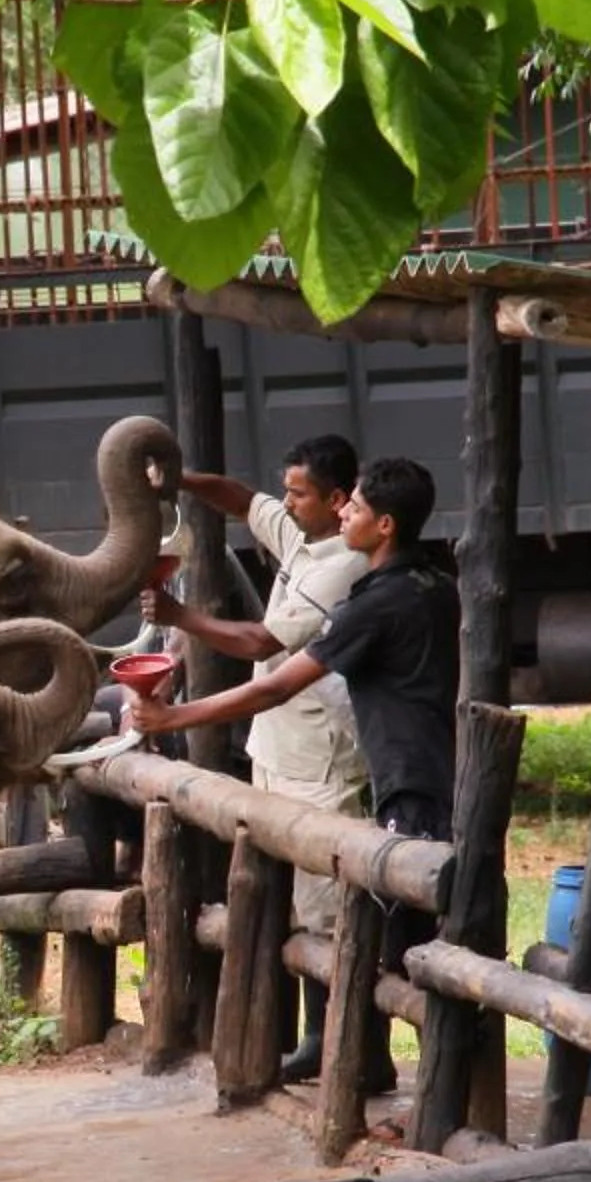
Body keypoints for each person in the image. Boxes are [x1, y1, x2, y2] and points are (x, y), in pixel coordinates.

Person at [127, 459, 460, 1094]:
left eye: (355, 508)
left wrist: (175, 717)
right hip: (425, 771)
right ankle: (404, 1075)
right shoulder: (432, 582)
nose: (343, 514)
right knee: (413, 935)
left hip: (406, 784)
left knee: (404, 942)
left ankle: (431, 1091)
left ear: (384, 524)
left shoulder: (373, 602)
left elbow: (276, 680)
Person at [145, 435, 370, 1082]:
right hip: (277, 749)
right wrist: (180, 480)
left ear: (336, 500)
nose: (287, 502)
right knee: (289, 902)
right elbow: (241, 499)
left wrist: (178, 614)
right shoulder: (303, 534)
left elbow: (260, 642)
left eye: (298, 493)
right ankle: (310, 1039)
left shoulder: (342, 566)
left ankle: (338, 1049)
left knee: (326, 908)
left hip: (321, 760)